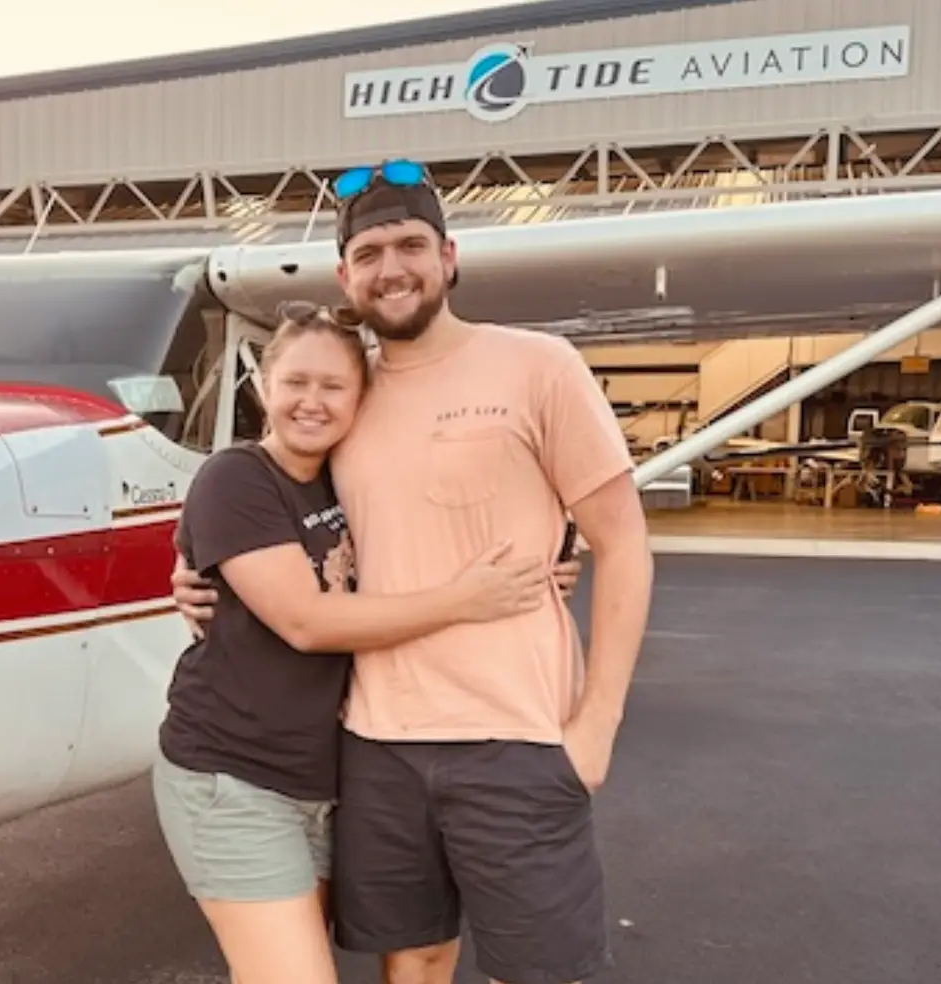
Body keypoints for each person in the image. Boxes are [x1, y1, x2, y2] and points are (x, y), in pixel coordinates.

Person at [171, 159, 654, 984]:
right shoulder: (347, 400)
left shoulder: (539, 366)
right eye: (370, 254)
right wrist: (186, 570)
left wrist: (596, 726)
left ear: (449, 256)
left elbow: (625, 543)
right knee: (419, 957)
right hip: (375, 744)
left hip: (517, 736)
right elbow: (282, 516)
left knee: (542, 971)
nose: (391, 268)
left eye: (410, 246)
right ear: (344, 274)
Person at [152, 300, 564, 984]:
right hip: (233, 777)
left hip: (324, 782)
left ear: (361, 398)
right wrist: (467, 600)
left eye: (334, 387)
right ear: (264, 388)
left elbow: (448, 529)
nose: (312, 402)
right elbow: (306, 621)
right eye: (296, 383)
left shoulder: (350, 480)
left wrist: (552, 562)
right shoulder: (237, 477)